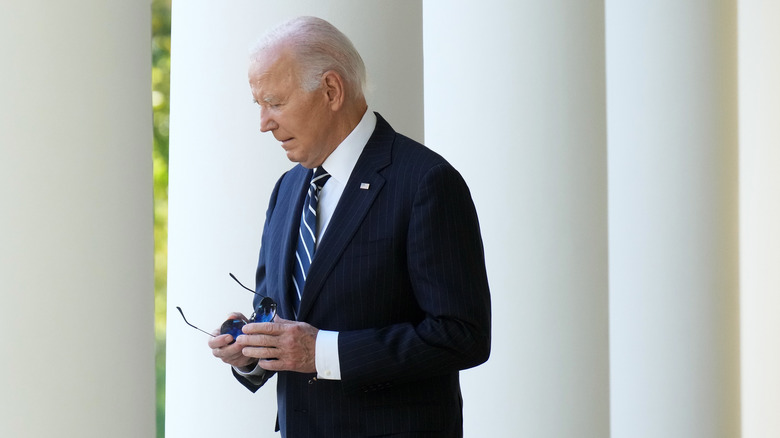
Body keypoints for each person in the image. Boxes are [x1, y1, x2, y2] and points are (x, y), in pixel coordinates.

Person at [207, 16, 491, 437]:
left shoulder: (426, 182)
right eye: (259, 106)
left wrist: (320, 350)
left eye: (275, 102)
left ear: (331, 90)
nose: (264, 122)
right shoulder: (287, 189)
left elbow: (462, 334)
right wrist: (250, 351)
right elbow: (285, 320)